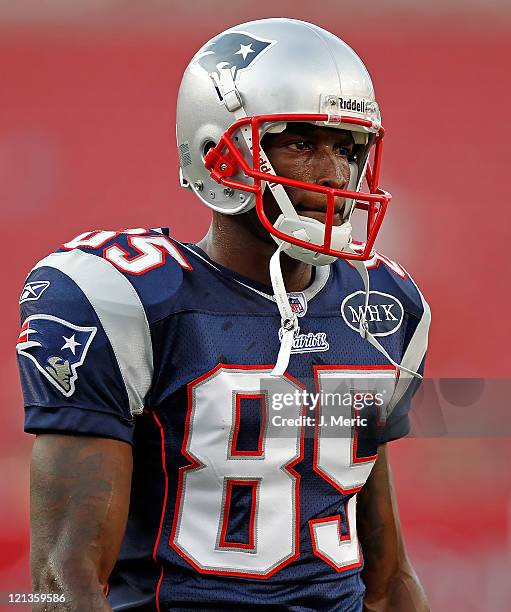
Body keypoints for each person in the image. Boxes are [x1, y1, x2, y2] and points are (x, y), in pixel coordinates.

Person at [17, 18, 431, 612]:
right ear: (220, 154)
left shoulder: (378, 308)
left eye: (348, 149)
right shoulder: (128, 300)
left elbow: (388, 581)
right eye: (302, 143)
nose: (336, 174)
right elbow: (60, 580)